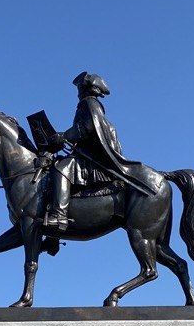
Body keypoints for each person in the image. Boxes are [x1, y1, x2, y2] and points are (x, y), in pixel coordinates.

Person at [44, 72, 154, 233]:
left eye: (80, 88)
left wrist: (63, 136)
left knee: (61, 168)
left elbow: (87, 127)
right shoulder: (90, 105)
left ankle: (59, 214)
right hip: (87, 154)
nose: (78, 92)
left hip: (93, 158)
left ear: (89, 89)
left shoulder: (88, 103)